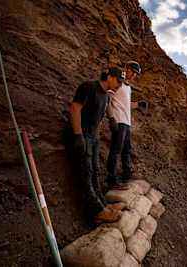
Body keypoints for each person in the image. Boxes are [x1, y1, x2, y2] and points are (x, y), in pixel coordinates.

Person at [69, 67, 126, 224]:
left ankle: (103, 205)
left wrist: (111, 120)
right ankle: (98, 211)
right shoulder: (89, 87)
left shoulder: (106, 96)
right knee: (86, 173)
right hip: (82, 136)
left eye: (122, 83)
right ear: (109, 76)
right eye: (118, 81)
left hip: (93, 139)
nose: (119, 85)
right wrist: (77, 135)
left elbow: (104, 110)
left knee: (95, 172)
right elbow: (75, 108)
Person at [106, 61, 144, 189]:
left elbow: (126, 104)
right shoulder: (117, 82)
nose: (134, 75)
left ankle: (126, 174)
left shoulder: (127, 87)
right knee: (115, 150)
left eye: (136, 73)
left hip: (126, 122)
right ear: (126, 68)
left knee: (126, 150)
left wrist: (138, 104)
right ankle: (111, 180)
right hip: (118, 120)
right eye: (132, 71)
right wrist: (111, 118)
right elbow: (108, 99)